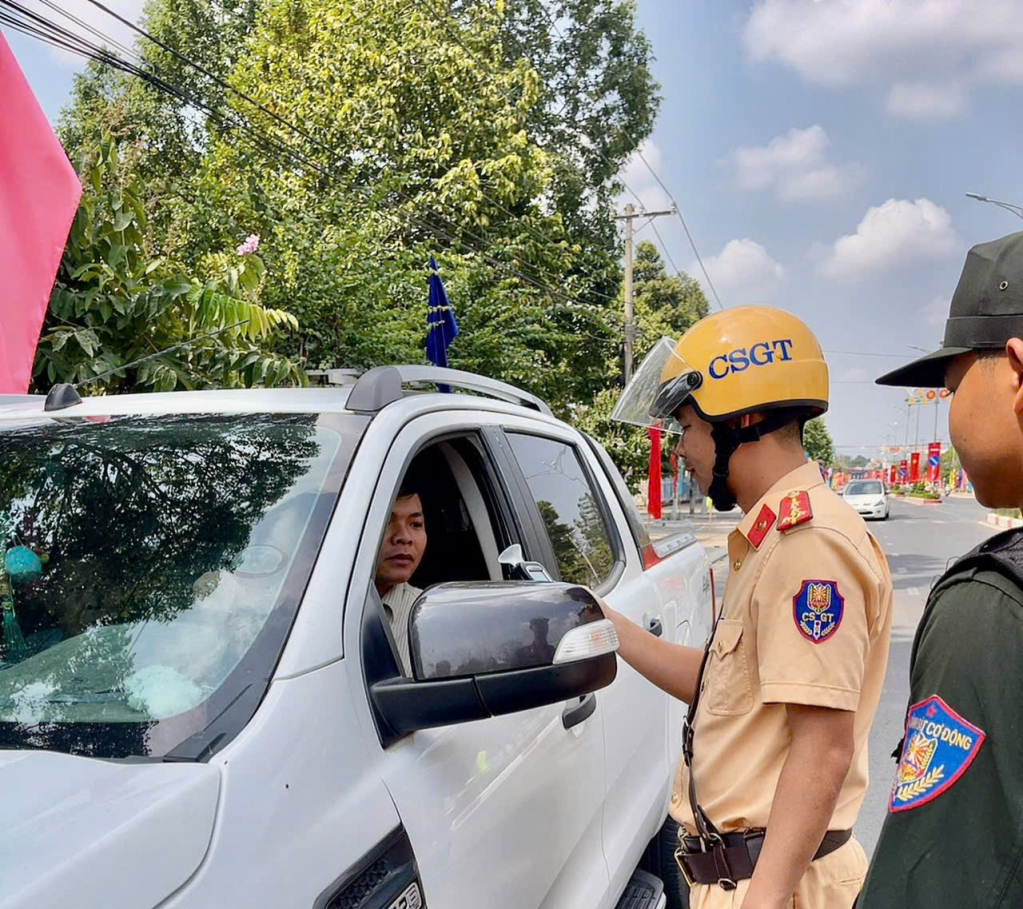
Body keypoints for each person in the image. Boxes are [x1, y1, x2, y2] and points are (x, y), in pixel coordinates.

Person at [605, 306, 893, 909]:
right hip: (752, 878)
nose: (681, 449)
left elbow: (823, 748)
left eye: (687, 426)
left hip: (775, 887)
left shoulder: (807, 546)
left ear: (745, 419)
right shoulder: (767, 543)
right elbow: (729, 692)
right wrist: (610, 628)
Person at [858, 231, 1023, 906]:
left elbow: (933, 885)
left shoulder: (993, 609)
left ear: (1016, 373)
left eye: (952, 384)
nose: (950, 410)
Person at [375, 469, 428, 675]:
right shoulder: (304, 613)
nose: (404, 537)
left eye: (415, 524)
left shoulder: (429, 619)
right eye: (387, 521)